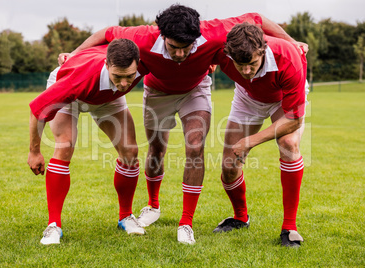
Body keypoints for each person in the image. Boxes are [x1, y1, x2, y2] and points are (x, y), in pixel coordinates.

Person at [58, 5, 307, 244]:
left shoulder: (218, 34)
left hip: (215, 91)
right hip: (167, 91)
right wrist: (75, 53)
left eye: (186, 47)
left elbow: (257, 19)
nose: (180, 54)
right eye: (174, 47)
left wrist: (292, 42)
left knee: (210, 145)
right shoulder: (143, 37)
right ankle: (161, 206)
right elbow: (106, 33)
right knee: (164, 151)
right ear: (162, 35)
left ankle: (193, 222)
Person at [27, 39, 149, 245]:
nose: (125, 84)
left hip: (108, 97)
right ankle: (53, 226)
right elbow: (38, 111)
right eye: (118, 76)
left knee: (130, 151)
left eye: (130, 76)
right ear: (106, 65)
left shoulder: (143, 63)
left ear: (139, 63)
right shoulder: (77, 79)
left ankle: (126, 216)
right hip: (73, 94)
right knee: (65, 145)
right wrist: (34, 151)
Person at [212, 23, 308, 247]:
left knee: (289, 143)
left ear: (263, 50)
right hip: (248, 98)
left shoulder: (288, 57)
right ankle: (240, 218)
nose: (246, 71)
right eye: (240, 65)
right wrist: (206, 63)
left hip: (282, 97)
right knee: (228, 165)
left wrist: (249, 142)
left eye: (252, 64)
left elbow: (294, 119)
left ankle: (290, 228)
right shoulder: (221, 50)